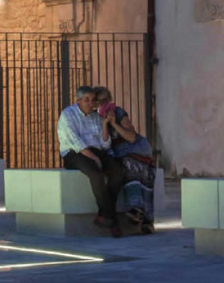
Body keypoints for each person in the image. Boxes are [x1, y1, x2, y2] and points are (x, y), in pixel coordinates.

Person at [57, 86, 125, 238]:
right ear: (78, 100)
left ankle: (104, 214)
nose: (90, 103)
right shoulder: (68, 115)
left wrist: (106, 123)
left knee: (118, 172)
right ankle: (112, 219)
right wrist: (94, 158)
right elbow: (75, 142)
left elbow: (104, 144)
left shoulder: (96, 117)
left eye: (93, 100)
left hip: (95, 151)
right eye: (86, 100)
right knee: (96, 174)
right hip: (74, 153)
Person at [93, 86, 155, 234]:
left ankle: (139, 212)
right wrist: (105, 124)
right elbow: (103, 141)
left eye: (106, 100)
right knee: (123, 167)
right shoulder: (95, 119)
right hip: (118, 154)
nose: (104, 104)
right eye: (100, 101)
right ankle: (139, 213)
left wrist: (114, 123)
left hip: (135, 149)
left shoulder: (119, 113)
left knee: (132, 166)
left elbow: (132, 137)